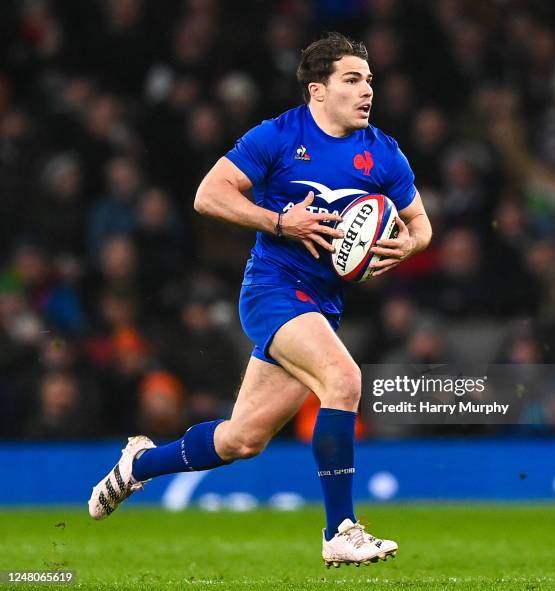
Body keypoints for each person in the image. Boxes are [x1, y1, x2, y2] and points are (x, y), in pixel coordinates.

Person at [88, 32, 432, 567]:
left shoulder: (383, 151)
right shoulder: (277, 136)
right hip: (272, 289)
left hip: (322, 306)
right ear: (318, 91)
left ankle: (138, 464)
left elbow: (421, 228)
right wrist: (280, 221)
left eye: (369, 80)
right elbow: (209, 195)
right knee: (344, 380)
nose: (367, 91)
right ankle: (340, 530)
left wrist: (401, 247)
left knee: (241, 440)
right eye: (353, 80)